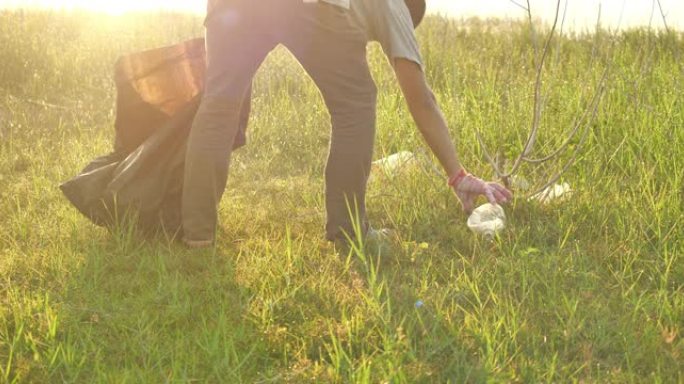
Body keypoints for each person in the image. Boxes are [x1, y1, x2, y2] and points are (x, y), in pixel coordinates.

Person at [182, 0, 513, 248]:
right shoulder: (395, 6)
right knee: (354, 104)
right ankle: (348, 230)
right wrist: (457, 174)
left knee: (219, 105)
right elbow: (421, 99)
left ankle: (197, 234)